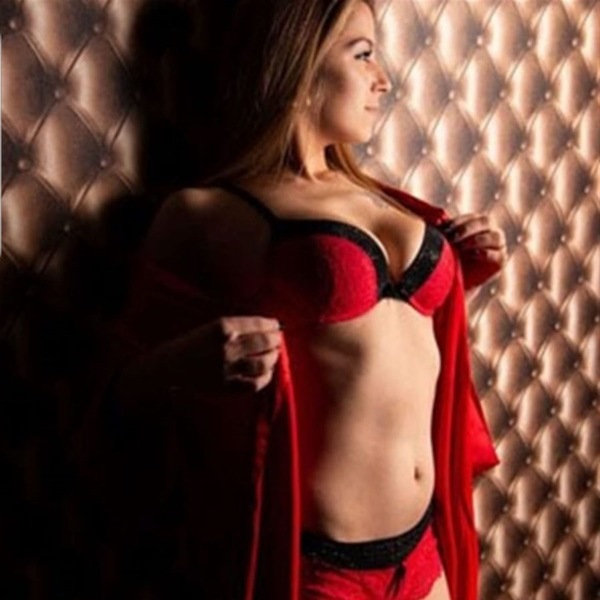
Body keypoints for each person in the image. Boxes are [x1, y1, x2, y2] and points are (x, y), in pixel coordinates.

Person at [88, 0, 506, 598]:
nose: (383, 79)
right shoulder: (203, 214)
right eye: (363, 55)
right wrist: (188, 360)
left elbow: (383, 337)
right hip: (320, 572)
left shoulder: (382, 200)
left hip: (424, 552)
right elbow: (113, 393)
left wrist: (466, 273)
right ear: (299, 64)